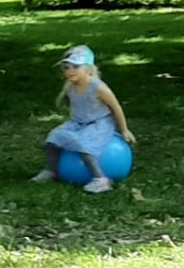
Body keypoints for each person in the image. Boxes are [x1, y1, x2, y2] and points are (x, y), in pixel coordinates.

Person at [33, 45, 136, 193]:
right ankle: (51, 170)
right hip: (78, 122)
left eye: (76, 67)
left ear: (88, 69)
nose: (70, 71)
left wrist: (124, 130)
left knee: (84, 145)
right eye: (66, 68)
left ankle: (101, 179)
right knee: (53, 138)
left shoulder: (98, 88)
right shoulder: (70, 87)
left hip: (100, 122)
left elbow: (116, 108)